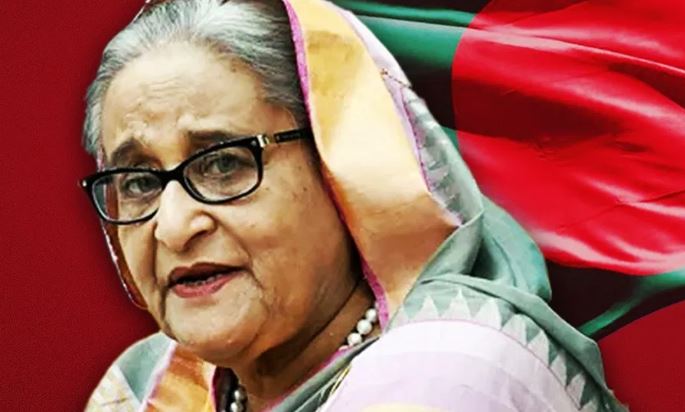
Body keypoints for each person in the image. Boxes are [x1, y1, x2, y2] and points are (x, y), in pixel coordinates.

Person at [81, 0, 626, 410]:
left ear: (343, 167)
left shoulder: (449, 374)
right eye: (139, 181)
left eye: (224, 164)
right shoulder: (147, 388)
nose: (173, 226)